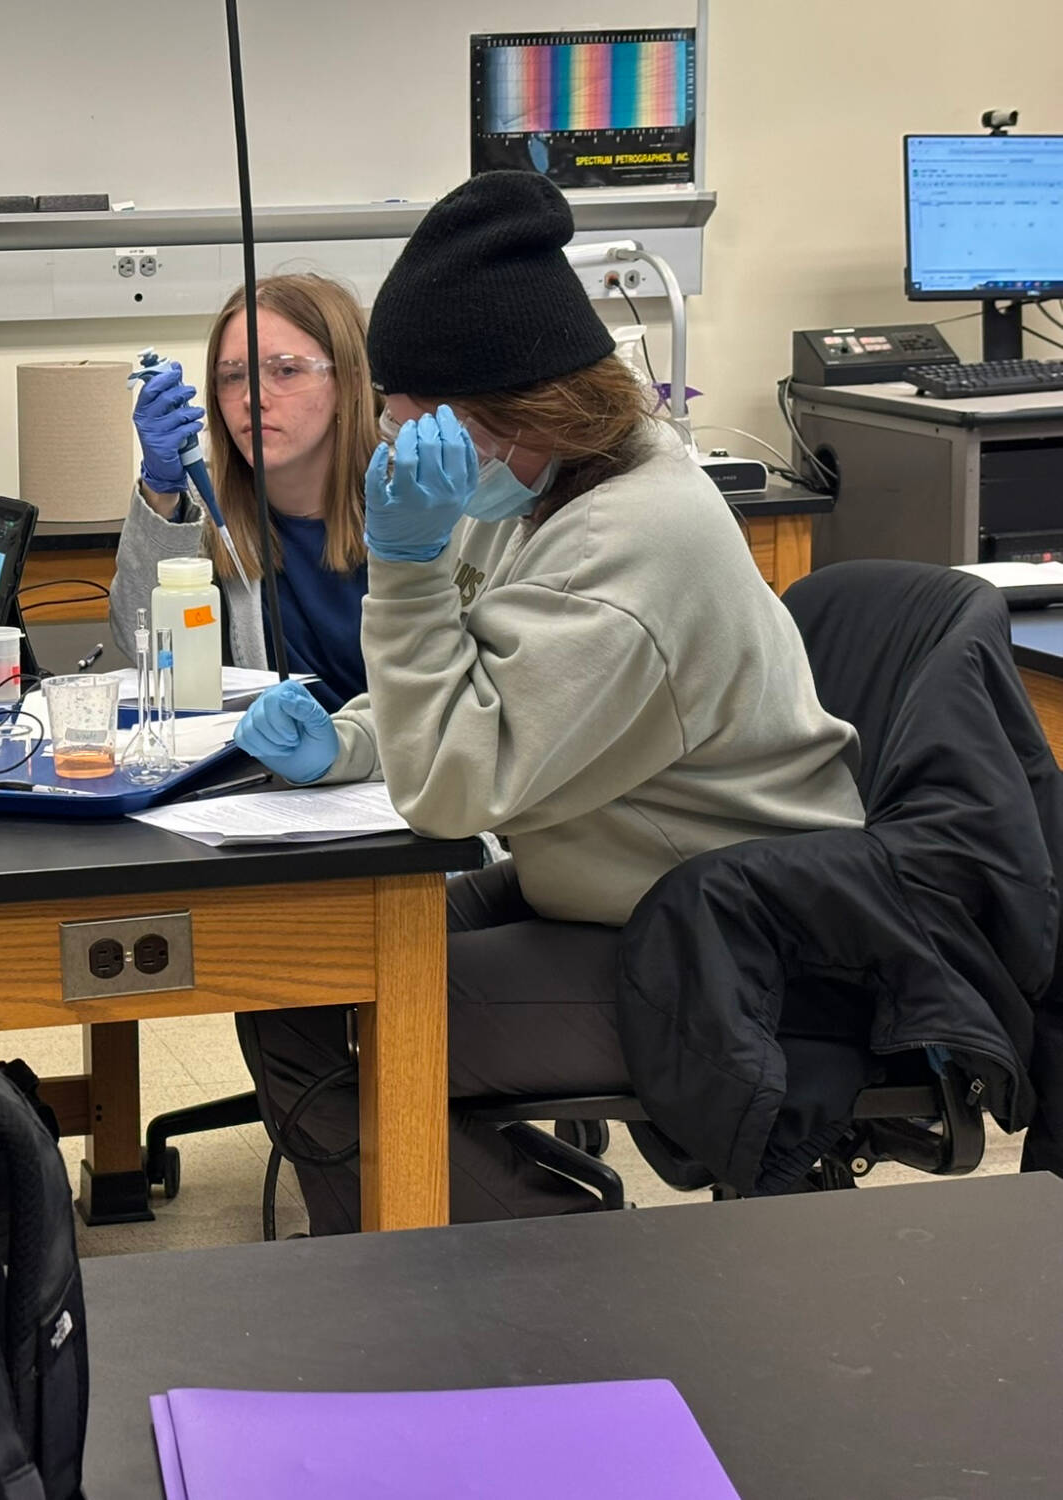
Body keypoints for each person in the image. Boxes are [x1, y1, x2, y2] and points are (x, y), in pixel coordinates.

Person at [229, 172, 868, 1231]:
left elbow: (451, 786)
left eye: (413, 426)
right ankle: (500, 1247)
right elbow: (470, 683)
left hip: (723, 944)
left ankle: (531, 1292)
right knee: (296, 973)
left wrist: (403, 567)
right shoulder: (536, 482)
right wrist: (340, 744)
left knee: (352, 1026)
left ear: (517, 415)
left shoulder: (631, 544)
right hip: (608, 883)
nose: (389, 449)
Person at [108, 274, 379, 710]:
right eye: (232, 378)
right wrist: (161, 495)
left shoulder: (414, 501)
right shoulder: (203, 509)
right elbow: (141, 642)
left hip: (390, 771)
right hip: (267, 771)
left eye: (286, 370)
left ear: (348, 381)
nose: (253, 398)